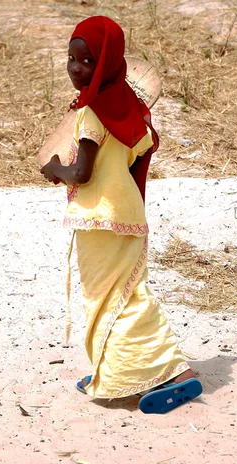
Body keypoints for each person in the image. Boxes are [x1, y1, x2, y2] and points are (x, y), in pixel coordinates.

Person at [40, 16, 202, 413]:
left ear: (108, 62)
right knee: (123, 291)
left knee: (113, 296)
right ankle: (118, 370)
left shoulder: (94, 112)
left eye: (87, 60)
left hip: (100, 217)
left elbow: (82, 172)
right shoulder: (128, 105)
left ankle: (173, 372)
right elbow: (139, 153)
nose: (76, 68)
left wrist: (54, 169)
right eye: (71, 58)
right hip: (126, 213)